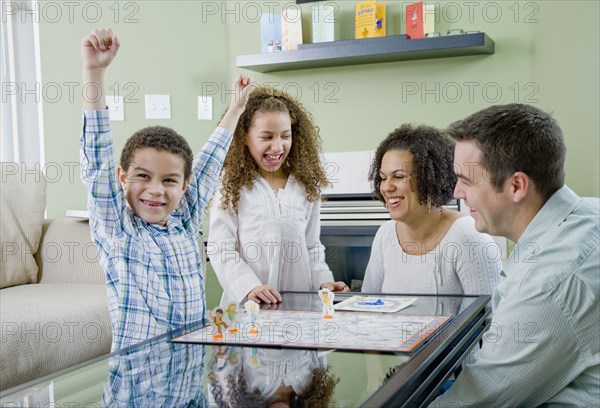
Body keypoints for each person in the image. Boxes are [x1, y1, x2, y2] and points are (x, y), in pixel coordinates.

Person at [79, 28, 252, 350]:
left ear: (184, 186)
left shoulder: (185, 224)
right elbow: (96, 160)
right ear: (121, 177)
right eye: (142, 176)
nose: (155, 190)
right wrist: (95, 72)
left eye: (169, 180)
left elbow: (209, 163)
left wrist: (236, 109)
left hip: (188, 379)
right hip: (136, 386)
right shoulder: (118, 230)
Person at [430, 104, 599, 407]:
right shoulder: (587, 213)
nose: (456, 192)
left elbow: (475, 402)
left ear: (517, 185)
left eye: (466, 180)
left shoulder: (549, 283)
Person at [208, 86, 349, 305]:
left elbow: (311, 247)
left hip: (299, 311)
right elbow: (220, 248)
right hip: (249, 311)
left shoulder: (306, 185)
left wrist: (324, 282)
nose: (277, 146)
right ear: (244, 137)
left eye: (285, 136)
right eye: (266, 136)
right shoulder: (231, 184)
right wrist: (250, 286)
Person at [361, 124, 502, 296]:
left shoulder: (469, 237)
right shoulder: (385, 235)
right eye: (383, 178)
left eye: (399, 177)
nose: (387, 187)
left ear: (429, 179)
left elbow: (484, 319)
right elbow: (367, 305)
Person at [208, 347, 339, 408]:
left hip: (256, 305)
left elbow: (227, 351)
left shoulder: (239, 396)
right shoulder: (310, 390)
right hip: (299, 308)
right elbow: (320, 350)